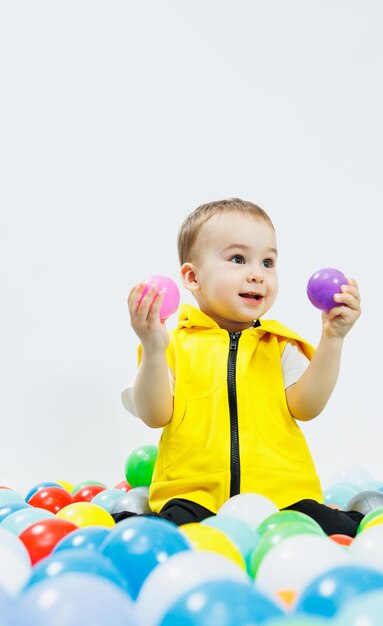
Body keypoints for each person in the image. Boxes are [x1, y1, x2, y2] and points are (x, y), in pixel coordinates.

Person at [119, 198, 363, 536]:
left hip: (283, 497)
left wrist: (333, 339)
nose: (257, 274)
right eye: (238, 259)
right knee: (155, 536)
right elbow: (155, 414)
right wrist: (153, 348)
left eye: (268, 262)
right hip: (195, 497)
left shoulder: (278, 345)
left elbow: (307, 407)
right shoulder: (172, 346)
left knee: (346, 530)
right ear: (192, 277)